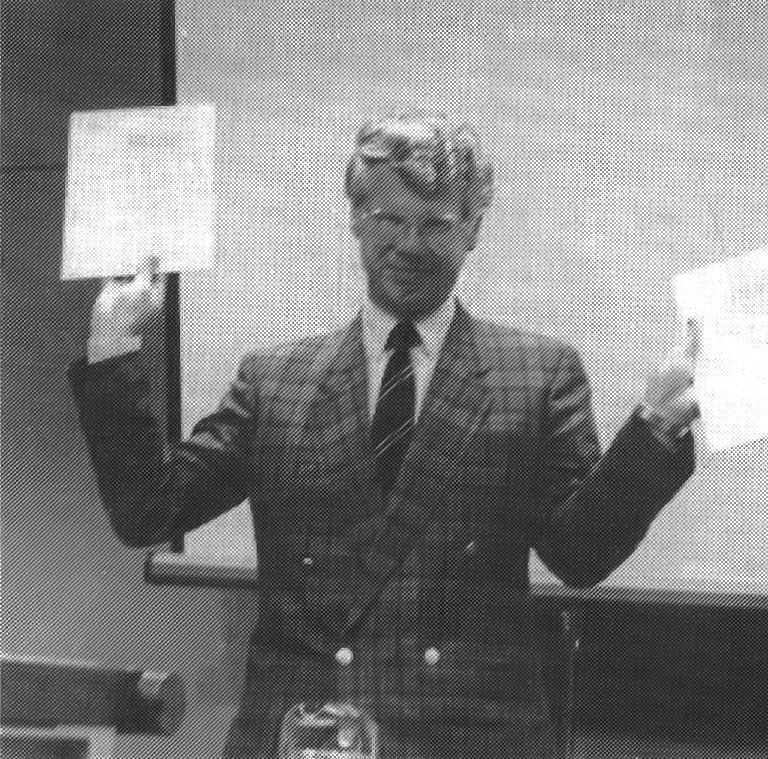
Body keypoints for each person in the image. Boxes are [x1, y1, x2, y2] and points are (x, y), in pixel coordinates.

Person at [70, 112, 700, 758]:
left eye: (435, 224)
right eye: (388, 221)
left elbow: (580, 554)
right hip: (310, 737)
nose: (409, 245)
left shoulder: (537, 374)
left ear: (474, 229)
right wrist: (113, 342)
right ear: (355, 218)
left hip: (467, 740)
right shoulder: (275, 379)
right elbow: (152, 508)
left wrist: (655, 426)